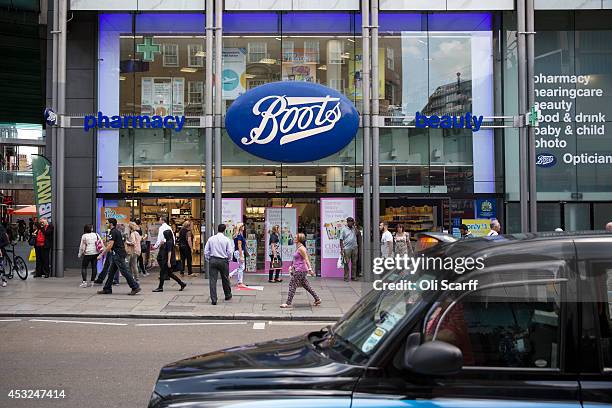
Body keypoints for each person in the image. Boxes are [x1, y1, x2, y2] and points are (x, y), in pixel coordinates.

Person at [97, 218, 141, 295]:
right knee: (111, 272)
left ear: (111, 224)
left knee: (124, 271)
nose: (106, 224)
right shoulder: (116, 231)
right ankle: (107, 288)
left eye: (107, 223)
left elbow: (110, 245)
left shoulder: (113, 232)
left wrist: (101, 254)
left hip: (118, 254)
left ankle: (135, 287)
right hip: (117, 254)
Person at [280, 233, 321, 309]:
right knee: (306, 286)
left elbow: (306, 259)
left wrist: (310, 269)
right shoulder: (298, 247)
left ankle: (288, 303)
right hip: (299, 269)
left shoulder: (301, 248)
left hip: (300, 270)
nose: (294, 238)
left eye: (296, 237)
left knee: (292, 285)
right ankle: (317, 299)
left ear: (299, 239)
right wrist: (292, 267)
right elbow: (298, 259)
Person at [204, 224, 233, 305]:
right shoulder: (226, 239)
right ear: (224, 230)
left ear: (217, 229)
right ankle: (227, 294)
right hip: (223, 260)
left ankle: (214, 299)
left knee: (213, 280)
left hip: (213, 260)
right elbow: (230, 252)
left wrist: (208, 258)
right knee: (225, 278)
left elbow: (206, 251)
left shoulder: (211, 239)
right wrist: (229, 259)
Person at [339, 217, 359, 282]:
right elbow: (341, 240)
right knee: (346, 263)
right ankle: (346, 277)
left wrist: (355, 226)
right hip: (347, 248)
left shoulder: (354, 228)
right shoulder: (343, 229)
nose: (351, 222)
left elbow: (358, 233)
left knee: (354, 263)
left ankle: (353, 276)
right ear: (347, 222)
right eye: (349, 221)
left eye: (352, 221)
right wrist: (342, 249)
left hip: (354, 248)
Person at [229, 222, 248, 288]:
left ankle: (232, 275)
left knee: (241, 267)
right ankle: (239, 282)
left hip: (237, 252)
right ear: (240, 227)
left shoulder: (237, 235)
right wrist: (241, 256)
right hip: (239, 252)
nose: (244, 227)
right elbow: (239, 246)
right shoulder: (239, 235)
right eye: (243, 226)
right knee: (242, 267)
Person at [0, 223, 8, 287]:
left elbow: (6, 242)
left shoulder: (2, 232)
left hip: (0, 251)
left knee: (1, 266)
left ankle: (4, 280)